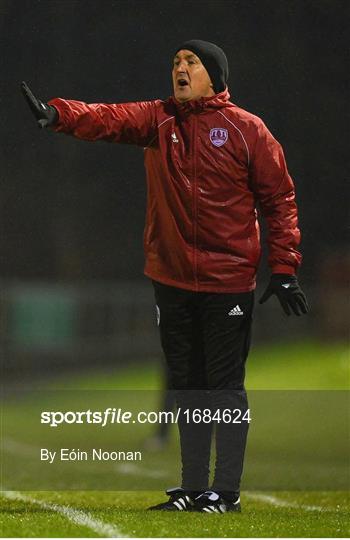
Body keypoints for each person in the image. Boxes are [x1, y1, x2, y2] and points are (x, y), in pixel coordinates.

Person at [21, 39, 308, 514]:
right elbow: (107, 118)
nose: (180, 67)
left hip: (227, 281)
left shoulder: (247, 130)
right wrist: (59, 115)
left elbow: (280, 200)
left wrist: (284, 269)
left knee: (225, 387)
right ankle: (194, 487)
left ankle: (227, 492)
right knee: (188, 386)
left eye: (191, 62)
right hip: (172, 279)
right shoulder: (158, 120)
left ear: (214, 75)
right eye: (176, 62)